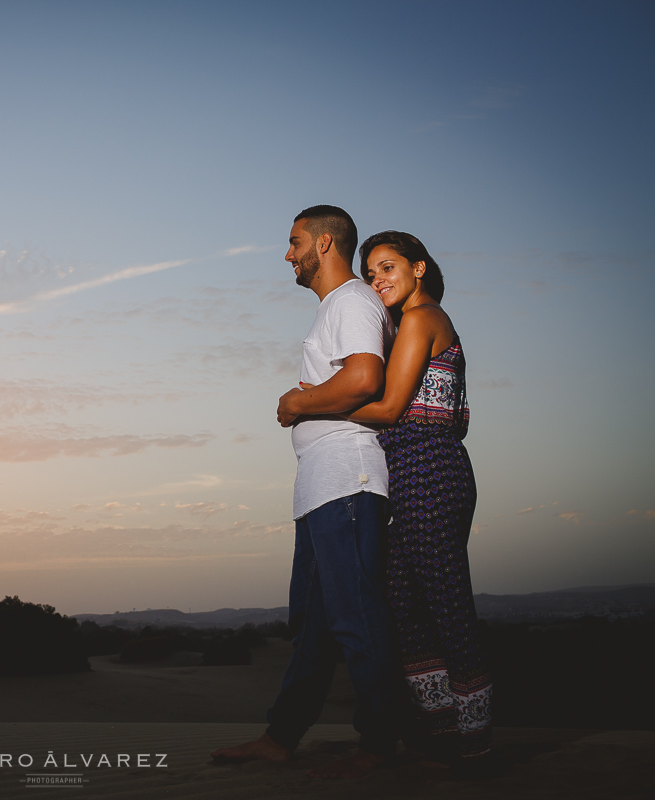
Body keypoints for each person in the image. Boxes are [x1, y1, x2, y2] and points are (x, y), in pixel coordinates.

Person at [212, 205, 400, 779]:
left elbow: (366, 378)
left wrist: (297, 403)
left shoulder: (351, 301)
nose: (287, 254)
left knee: (356, 618)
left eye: (294, 242)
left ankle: (384, 743)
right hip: (321, 488)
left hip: (348, 479)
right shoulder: (334, 309)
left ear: (323, 243)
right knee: (315, 627)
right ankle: (281, 736)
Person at [335, 230, 493, 766]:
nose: (377, 279)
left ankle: (475, 739)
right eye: (371, 272)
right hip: (408, 471)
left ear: (418, 268)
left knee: (446, 603)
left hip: (430, 470)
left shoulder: (423, 318)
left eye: (387, 267)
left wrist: (313, 403)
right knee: (404, 604)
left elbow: (388, 408)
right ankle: (440, 729)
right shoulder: (408, 324)